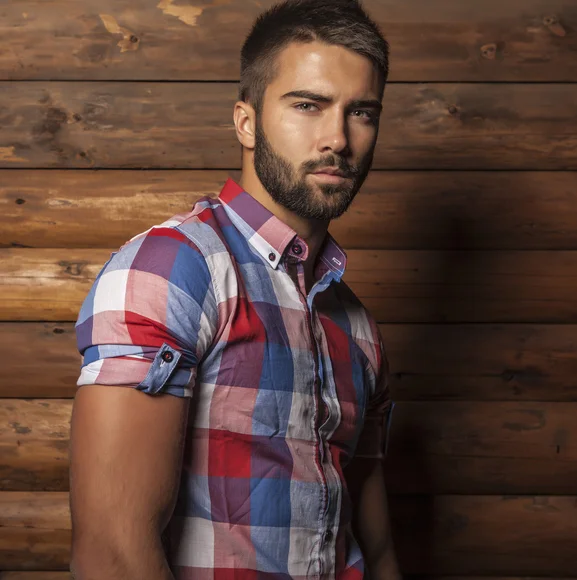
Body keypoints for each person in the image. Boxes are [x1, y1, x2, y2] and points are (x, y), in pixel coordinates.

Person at [69, 0, 400, 578]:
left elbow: (377, 550)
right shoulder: (171, 269)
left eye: (361, 112)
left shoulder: (357, 326)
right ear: (246, 122)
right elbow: (113, 554)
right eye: (308, 105)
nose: (338, 139)